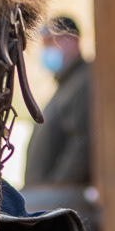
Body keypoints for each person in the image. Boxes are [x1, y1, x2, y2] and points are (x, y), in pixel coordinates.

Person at [24, 17, 91, 188]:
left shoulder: (83, 82)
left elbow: (82, 144)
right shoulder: (67, 84)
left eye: (50, 42)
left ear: (72, 41)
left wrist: (56, 190)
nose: (45, 49)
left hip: (59, 197)